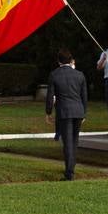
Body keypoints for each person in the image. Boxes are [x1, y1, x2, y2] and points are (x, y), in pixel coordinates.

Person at [45, 48, 88, 180]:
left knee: (67, 142)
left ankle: (69, 173)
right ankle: (71, 168)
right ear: (70, 60)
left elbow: (50, 96)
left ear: (58, 61)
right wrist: (84, 113)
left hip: (64, 111)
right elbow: (84, 96)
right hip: (78, 111)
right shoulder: (80, 75)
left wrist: (48, 112)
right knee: (74, 141)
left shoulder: (54, 75)